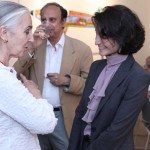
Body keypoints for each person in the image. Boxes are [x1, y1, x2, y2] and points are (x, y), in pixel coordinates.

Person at [68, 5, 150, 150]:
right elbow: (80, 113)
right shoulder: (96, 67)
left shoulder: (137, 76)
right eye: (97, 34)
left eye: (103, 36)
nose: (96, 41)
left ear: (123, 36)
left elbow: (117, 131)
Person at [14, 2, 93, 150]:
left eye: (52, 20)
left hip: (64, 118)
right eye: (43, 20)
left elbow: (91, 85)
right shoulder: (34, 46)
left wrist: (67, 81)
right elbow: (15, 74)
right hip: (36, 115)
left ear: (63, 22)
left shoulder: (82, 49)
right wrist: (32, 48)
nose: (47, 24)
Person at [0, 1, 57, 150]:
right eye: (27, 31)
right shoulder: (3, 79)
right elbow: (46, 123)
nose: (31, 38)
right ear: (4, 33)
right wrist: (36, 95)